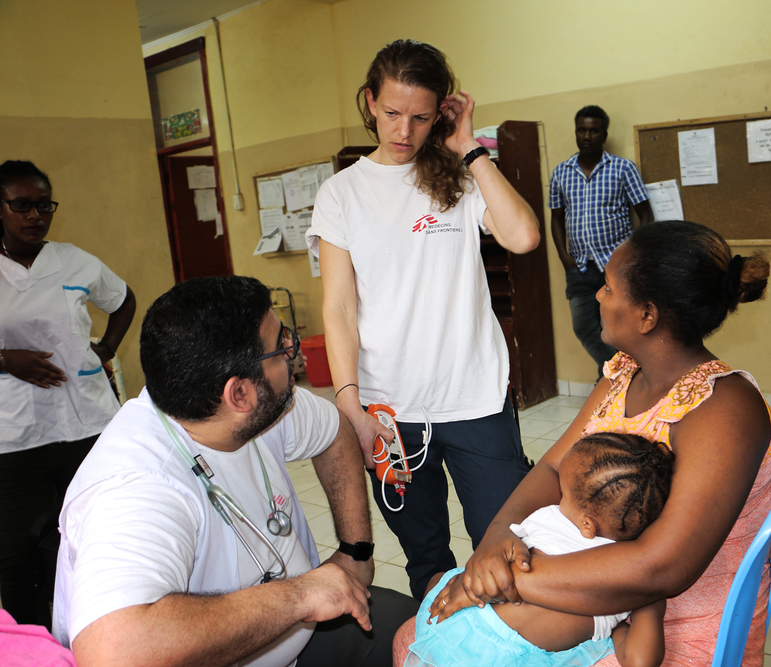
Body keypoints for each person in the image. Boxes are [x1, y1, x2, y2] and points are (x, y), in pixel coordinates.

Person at [410, 220, 771, 667]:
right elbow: (552, 470)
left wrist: (502, 579)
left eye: (607, 287)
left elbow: (661, 568)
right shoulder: (624, 373)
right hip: (590, 588)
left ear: (647, 315)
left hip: (664, 620)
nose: (598, 296)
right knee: (430, 635)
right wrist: (497, 537)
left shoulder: (725, 407)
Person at [52, 276, 417, 667]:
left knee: (428, 636)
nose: (292, 350)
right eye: (280, 347)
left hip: (298, 639)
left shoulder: (257, 409)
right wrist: (299, 596)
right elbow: (112, 652)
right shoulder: (137, 488)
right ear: (239, 394)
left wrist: (354, 552)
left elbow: (335, 433)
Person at [306, 39, 540, 599]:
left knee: (505, 553)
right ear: (369, 102)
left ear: (441, 114)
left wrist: (470, 150)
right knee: (426, 558)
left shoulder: (459, 178)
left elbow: (524, 236)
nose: (404, 131)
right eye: (391, 113)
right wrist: (349, 405)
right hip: (391, 413)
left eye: (420, 117)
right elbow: (338, 307)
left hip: (476, 399)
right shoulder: (341, 194)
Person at [402, 432, 673, 667]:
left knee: (440, 579)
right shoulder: (626, 586)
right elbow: (640, 660)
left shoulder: (550, 518)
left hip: (450, 623)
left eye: (564, 495)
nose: (558, 500)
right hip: (506, 657)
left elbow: (501, 564)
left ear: (587, 525)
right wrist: (646, 608)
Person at [0, 160, 136, 628]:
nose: (34, 214)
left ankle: (107, 629)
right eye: (21, 204)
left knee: (102, 533)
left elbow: (122, 300)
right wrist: (4, 360)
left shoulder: (74, 260)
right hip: (17, 436)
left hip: (89, 423)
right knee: (15, 552)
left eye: (43, 205)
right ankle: (31, 645)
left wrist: (106, 348)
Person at [549, 105, 654, 374]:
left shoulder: (623, 168)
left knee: (622, 329)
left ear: (603, 134)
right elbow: (557, 218)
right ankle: (624, 375)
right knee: (583, 326)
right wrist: (564, 256)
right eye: (581, 130)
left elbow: (645, 215)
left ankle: (613, 380)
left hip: (617, 266)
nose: (586, 136)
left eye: (593, 131)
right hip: (580, 266)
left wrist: (634, 256)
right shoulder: (561, 172)